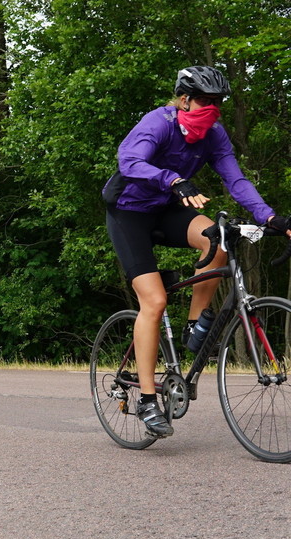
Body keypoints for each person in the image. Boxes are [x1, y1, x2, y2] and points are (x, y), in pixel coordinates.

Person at [103, 65, 290, 437]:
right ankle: (146, 400)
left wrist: (269, 217)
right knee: (153, 303)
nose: (212, 108)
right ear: (184, 99)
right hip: (129, 213)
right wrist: (172, 179)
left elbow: (235, 179)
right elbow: (130, 161)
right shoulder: (159, 122)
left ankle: (195, 323)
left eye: (217, 102)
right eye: (204, 100)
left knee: (221, 236)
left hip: (168, 209)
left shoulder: (214, 136)